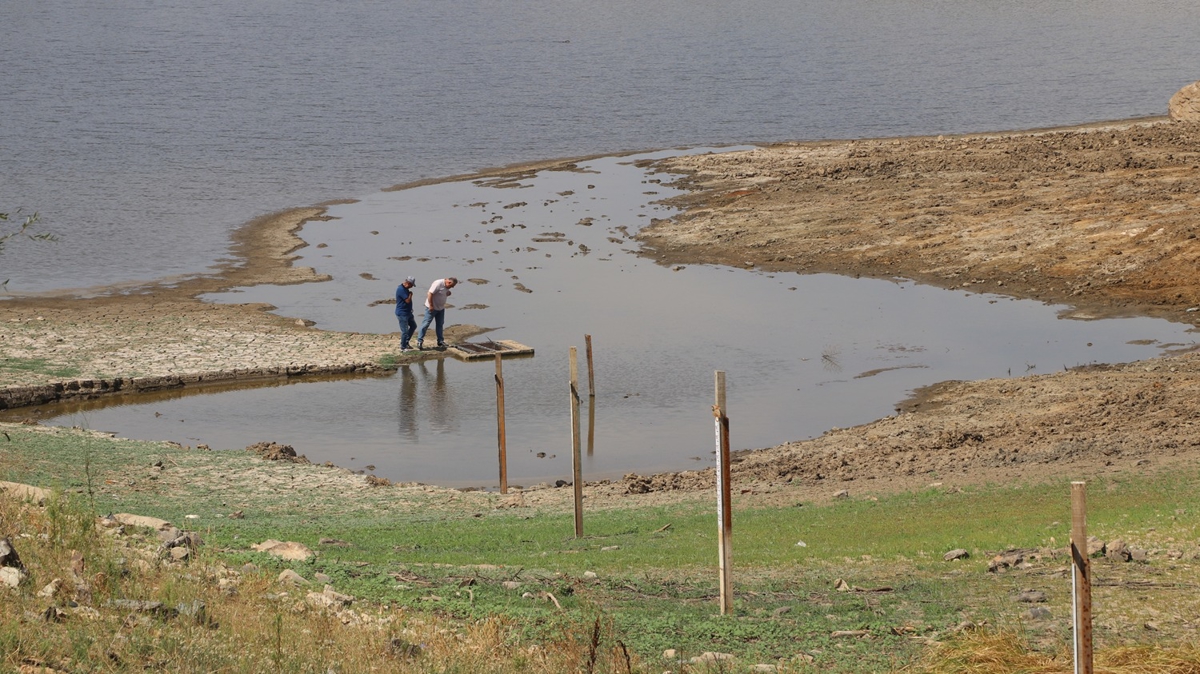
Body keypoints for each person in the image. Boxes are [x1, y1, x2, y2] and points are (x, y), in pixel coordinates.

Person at [417, 276, 457, 350]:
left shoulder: (446, 287)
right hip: (431, 308)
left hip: (440, 308)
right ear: (449, 282)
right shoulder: (438, 283)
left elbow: (443, 292)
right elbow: (429, 294)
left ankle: (440, 341)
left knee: (440, 324)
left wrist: (447, 293)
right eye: (451, 286)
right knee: (425, 324)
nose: (452, 287)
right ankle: (420, 341)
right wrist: (431, 306)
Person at [394, 276, 418, 352]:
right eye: (411, 285)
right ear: (408, 283)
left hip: (408, 312)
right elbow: (407, 300)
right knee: (405, 331)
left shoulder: (405, 289)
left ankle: (406, 342)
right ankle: (403, 347)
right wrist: (411, 294)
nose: (411, 287)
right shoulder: (401, 289)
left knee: (413, 326)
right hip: (402, 313)